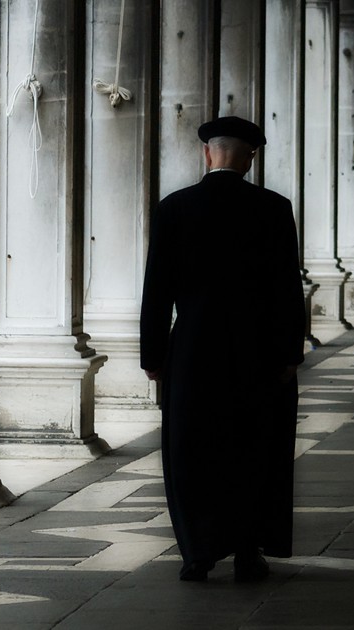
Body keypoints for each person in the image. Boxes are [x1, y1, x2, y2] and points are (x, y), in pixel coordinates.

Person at [140, 116, 306, 583]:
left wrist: (153, 356)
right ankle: (248, 551)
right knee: (255, 447)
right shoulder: (274, 208)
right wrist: (290, 352)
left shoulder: (174, 208)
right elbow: (286, 288)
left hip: (193, 349)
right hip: (259, 351)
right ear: (250, 158)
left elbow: (158, 290)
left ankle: (198, 551)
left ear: (207, 153)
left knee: (192, 449)